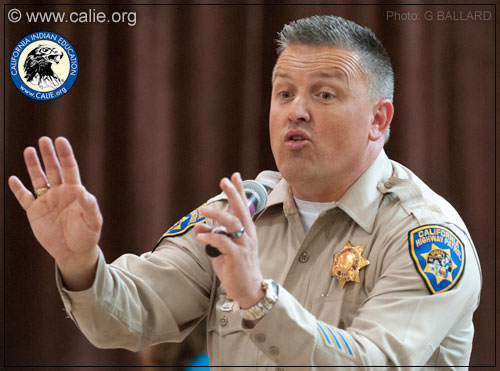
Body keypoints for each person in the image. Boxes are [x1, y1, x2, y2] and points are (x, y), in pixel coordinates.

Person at [8, 15, 481, 368]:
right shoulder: (242, 211)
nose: (296, 111)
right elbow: (128, 319)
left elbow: (373, 363)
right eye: (284, 93)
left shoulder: (425, 237)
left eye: (324, 94)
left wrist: (259, 298)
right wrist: (79, 263)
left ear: (378, 120)